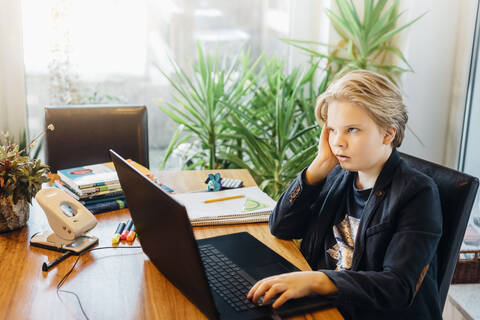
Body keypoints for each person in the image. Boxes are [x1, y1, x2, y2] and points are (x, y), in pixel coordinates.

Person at [247, 70, 443, 319]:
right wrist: (318, 167)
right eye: (332, 130)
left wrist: (317, 280)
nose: (338, 142)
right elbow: (281, 227)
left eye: (352, 130)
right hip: (326, 306)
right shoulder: (339, 174)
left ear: (388, 133)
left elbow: (397, 286)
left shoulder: (417, 193)